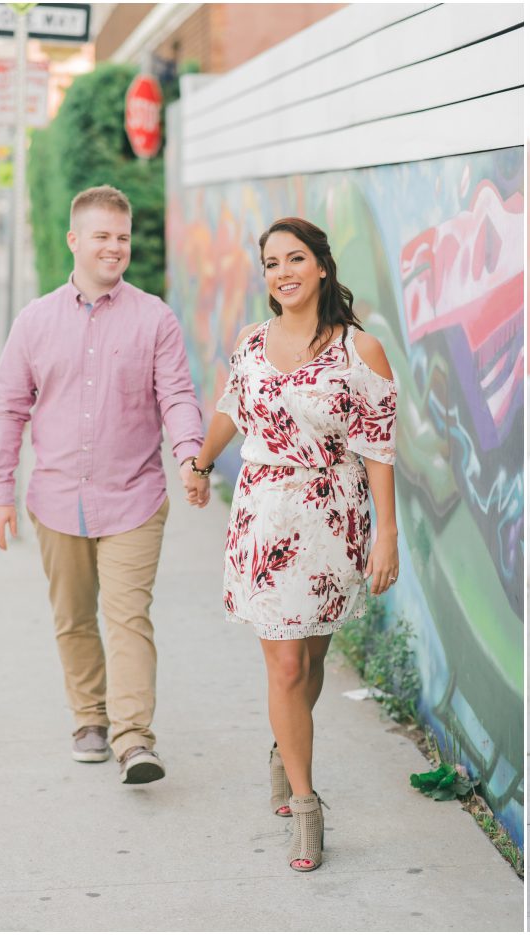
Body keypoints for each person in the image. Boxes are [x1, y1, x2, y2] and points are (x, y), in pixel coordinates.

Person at [183, 217, 399, 873]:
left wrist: (387, 533)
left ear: (323, 267)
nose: (283, 272)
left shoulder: (360, 351)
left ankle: (285, 746)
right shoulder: (251, 341)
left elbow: (380, 449)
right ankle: (307, 804)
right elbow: (231, 406)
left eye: (296, 258)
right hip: (262, 517)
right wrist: (199, 461)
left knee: (307, 666)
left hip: (333, 522)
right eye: (272, 262)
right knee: (282, 667)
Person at [0, 185, 205, 784]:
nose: (115, 248)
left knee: (129, 617)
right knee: (74, 618)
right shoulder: (34, 322)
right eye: (102, 236)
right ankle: (89, 719)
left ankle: (135, 739)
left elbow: (178, 397)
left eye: (123, 237)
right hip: (56, 501)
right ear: (74, 241)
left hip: (135, 496)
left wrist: (191, 457)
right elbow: (9, 409)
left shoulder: (154, 318)